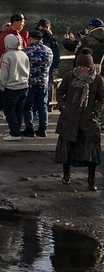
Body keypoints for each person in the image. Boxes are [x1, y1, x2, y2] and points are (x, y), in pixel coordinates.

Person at [55, 51, 104, 190]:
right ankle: (66, 175)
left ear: (90, 66)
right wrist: (63, 106)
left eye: (85, 66)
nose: (82, 69)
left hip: (88, 119)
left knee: (91, 152)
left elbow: (101, 98)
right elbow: (60, 92)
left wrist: (95, 111)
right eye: (80, 66)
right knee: (67, 149)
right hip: (70, 117)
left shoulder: (97, 79)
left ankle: (91, 179)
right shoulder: (70, 76)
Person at [0, 32, 31, 140]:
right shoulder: (24, 54)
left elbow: (4, 74)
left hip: (11, 87)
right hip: (24, 85)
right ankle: (16, 131)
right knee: (18, 110)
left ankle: (14, 133)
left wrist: (2, 86)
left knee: (9, 110)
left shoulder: (7, 56)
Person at [24, 29, 53, 137]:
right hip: (44, 82)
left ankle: (29, 128)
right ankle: (42, 128)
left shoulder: (26, 51)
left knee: (28, 106)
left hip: (30, 83)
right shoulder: (49, 51)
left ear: (31, 39)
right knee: (43, 106)